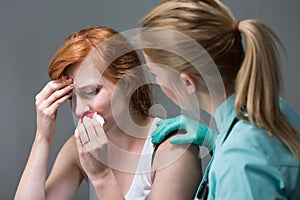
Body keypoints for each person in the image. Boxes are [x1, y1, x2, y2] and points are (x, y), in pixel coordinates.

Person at [14, 26, 202, 200]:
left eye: (93, 92)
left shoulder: (174, 150)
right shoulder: (79, 147)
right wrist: (42, 138)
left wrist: (102, 176)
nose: (79, 110)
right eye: (71, 97)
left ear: (128, 84)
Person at [140, 0, 300, 199]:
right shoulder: (269, 106)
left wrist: (103, 179)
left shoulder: (240, 162)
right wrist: (214, 140)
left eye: (155, 73)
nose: (156, 81)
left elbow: (248, 165)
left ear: (187, 82)